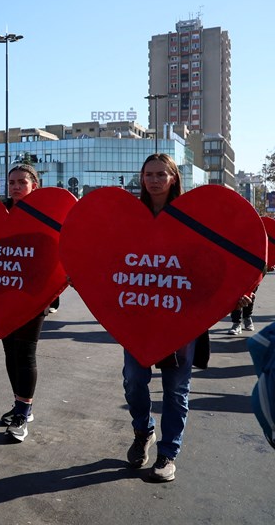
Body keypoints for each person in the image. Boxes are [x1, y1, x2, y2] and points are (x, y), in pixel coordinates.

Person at [121, 153, 250, 482]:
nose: (153, 180)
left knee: (176, 389)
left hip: (182, 316)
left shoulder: (193, 218)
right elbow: (111, 258)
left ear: (173, 178)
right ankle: (143, 432)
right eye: (148, 174)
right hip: (138, 316)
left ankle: (168, 454)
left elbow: (219, 257)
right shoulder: (130, 217)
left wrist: (235, 292)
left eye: (160, 174)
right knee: (134, 380)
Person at [0, 164, 52, 442]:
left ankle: (22, 414)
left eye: (22, 182)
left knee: (26, 352)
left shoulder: (47, 214)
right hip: (3, 291)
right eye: (12, 182)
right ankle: (21, 404)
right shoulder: (0, 212)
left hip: (35, 292)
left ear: (34, 186)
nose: (16, 187)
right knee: (10, 351)